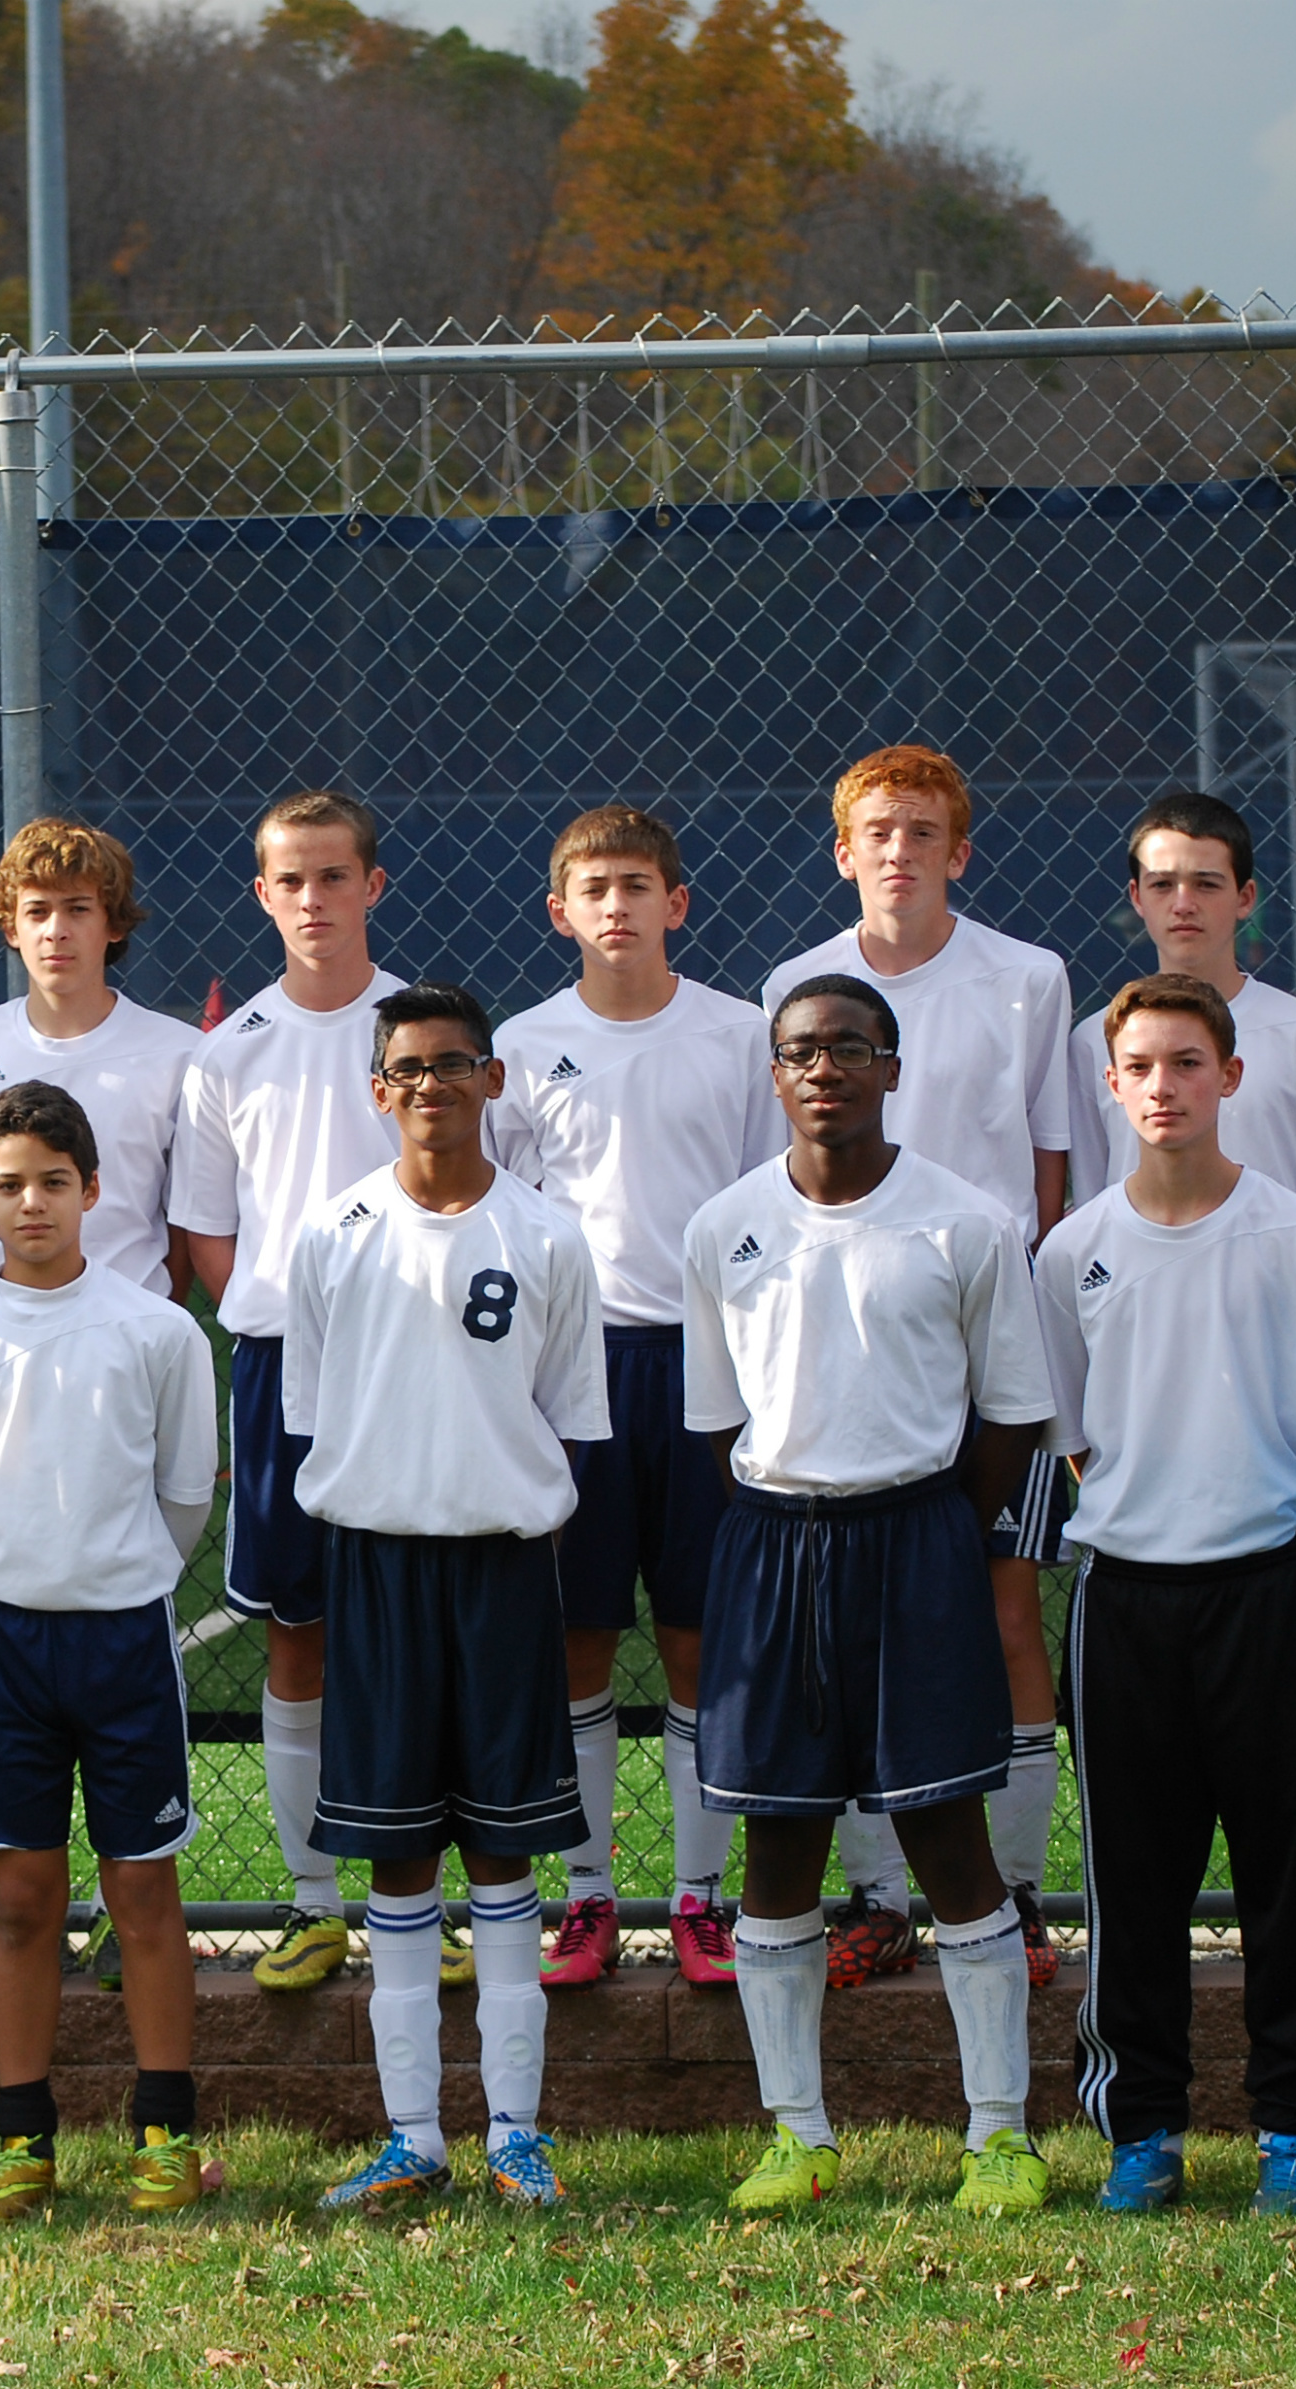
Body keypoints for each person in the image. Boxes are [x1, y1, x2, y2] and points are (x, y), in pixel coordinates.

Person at [684, 975, 1060, 2219]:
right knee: (779, 1843)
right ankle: (796, 2136)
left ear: (891, 1069)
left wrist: (936, 1527)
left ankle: (996, 2136)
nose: (824, 1068)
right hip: (774, 1548)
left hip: (918, 1544)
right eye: (800, 1051)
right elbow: (716, 1423)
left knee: (948, 1840)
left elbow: (1012, 1412)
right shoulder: (724, 1227)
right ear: (774, 1074)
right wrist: (792, 1514)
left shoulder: (964, 1222)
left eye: (850, 1047)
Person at [1039, 976, 1296, 2217]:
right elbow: (1077, 1441)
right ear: (1110, 1086)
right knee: (1134, 1882)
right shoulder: (1071, 1252)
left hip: (1266, 1596)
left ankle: (1294, 2127)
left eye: (1187, 1063)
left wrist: (1243, 1522)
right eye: (1140, 1067)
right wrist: (1157, 1517)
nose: (1163, 1087)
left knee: (1289, 1874)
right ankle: (1144, 2127)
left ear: (1230, 1078)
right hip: (1124, 1603)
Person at [290, 982, 606, 2213]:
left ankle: (516, 2133)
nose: (431, 1084)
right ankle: (413, 2136)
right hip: (376, 1566)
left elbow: (567, 1420)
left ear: (493, 1079)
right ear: (379, 1091)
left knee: (505, 1854)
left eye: (453, 1063)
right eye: (408, 1068)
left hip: (501, 1569)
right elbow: (312, 1412)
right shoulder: (333, 1234)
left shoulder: (548, 1238)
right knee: (399, 1861)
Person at [761, 748, 1074, 1991]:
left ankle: (1017, 1890)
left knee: (1002, 1608)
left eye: (924, 830)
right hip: (845, 1350)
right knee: (847, 1627)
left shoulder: (1028, 978)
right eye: (878, 831)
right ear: (845, 852)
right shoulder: (795, 987)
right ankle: (878, 1895)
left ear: (960, 850)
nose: (900, 850)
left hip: (984, 1337)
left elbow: (1046, 1167)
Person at [0, 1082, 222, 2220]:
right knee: (24, 1900)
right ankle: (23, 2139)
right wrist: (10, 1571)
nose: (30, 1203)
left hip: (124, 1641)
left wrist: (111, 1570)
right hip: (3, 1645)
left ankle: (165, 2133)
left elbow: (185, 1494)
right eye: (7, 1186)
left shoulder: (156, 1329)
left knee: (142, 1891)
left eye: (51, 1181)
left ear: (92, 1189)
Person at [485, 805, 780, 1990]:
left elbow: (769, 1201)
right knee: (579, 1638)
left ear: (677, 904)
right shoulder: (523, 1044)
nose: (617, 906)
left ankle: (701, 1901)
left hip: (709, 1368)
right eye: (594, 889)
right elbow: (509, 1219)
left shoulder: (737, 1033)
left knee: (701, 1636)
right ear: (560, 912)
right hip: (578, 1372)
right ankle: (589, 1897)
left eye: (637, 886)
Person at [0, 817, 201, 1983]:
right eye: (36, 910)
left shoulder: (176, 1053)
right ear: (9, 925)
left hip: (117, 1382)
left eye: (79, 909)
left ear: (112, 925)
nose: (57, 930)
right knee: (18, 1850)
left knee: (138, 1847)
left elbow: (177, 1238)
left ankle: (132, 1917)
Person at [171, 790, 409, 1995]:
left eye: (333, 876)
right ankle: (313, 1902)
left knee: (411, 1628)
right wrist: (288, 1319)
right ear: (262, 894)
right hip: (280, 1373)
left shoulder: (419, 1031)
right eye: (290, 880)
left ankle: (416, 1900)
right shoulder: (230, 1052)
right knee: (297, 1633)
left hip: (412, 1368)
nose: (313, 899)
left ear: (372, 886)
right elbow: (209, 1233)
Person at [1060, 793, 1296, 1223]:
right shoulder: (1094, 1040)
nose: (1183, 904)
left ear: (1245, 897)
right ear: (1137, 897)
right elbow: (1096, 1210)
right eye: (1162, 884)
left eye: (1206, 883)